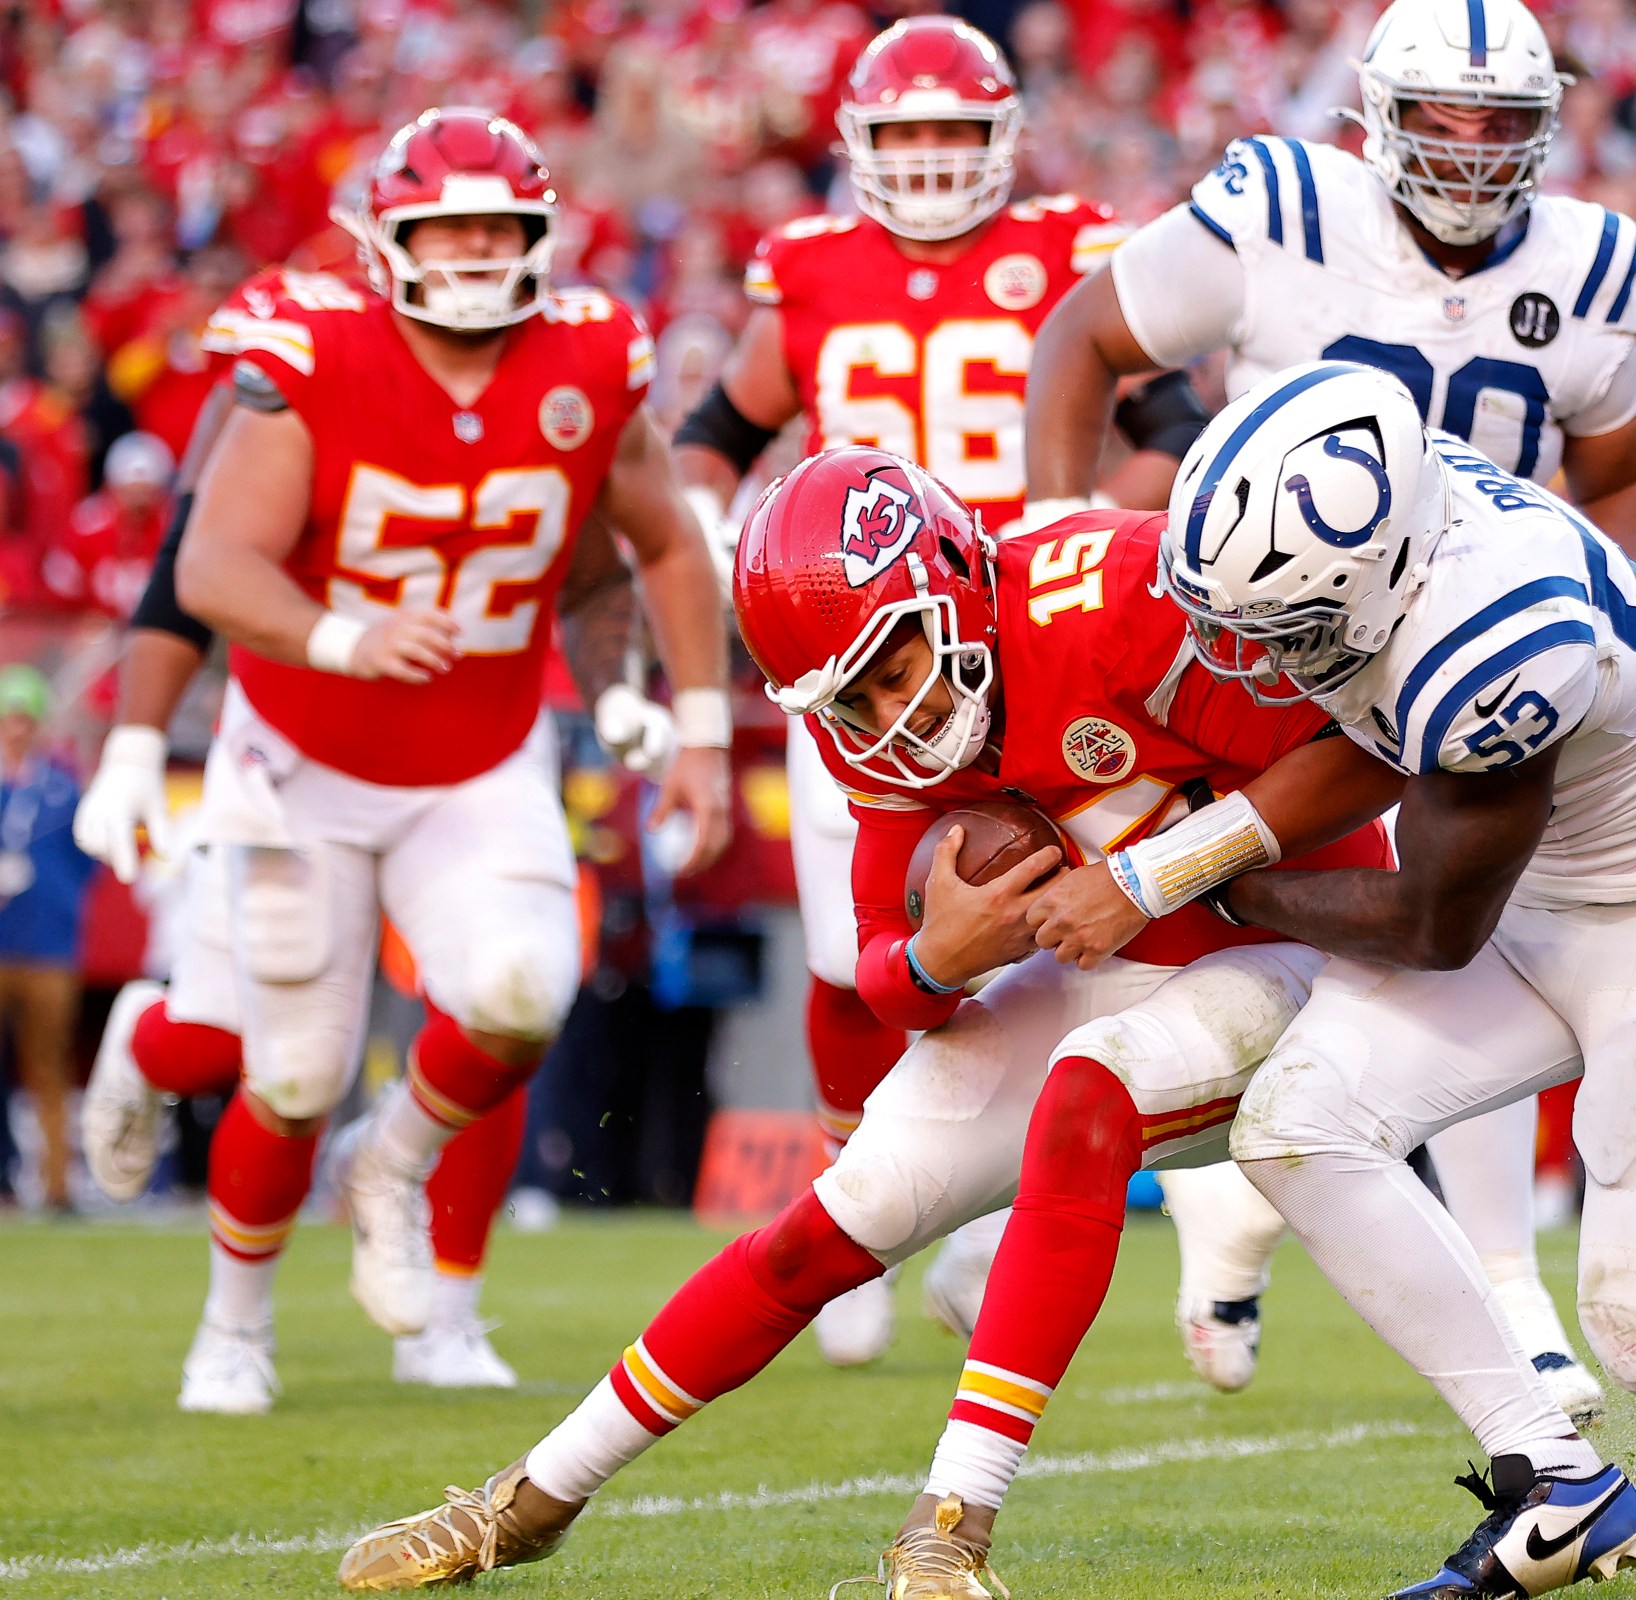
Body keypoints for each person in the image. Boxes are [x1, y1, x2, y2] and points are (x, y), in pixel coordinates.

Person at [332, 445, 1399, 1593]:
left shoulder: (1113, 594)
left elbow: (1360, 756)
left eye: (896, 667)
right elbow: (882, 979)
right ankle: (528, 1500)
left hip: (1283, 950)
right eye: (856, 697)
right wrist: (943, 955)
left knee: (1088, 1087)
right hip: (1105, 959)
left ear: (947, 577)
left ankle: (951, 1526)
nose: (895, 713)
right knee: (830, 1221)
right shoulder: (869, 731)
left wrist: (1148, 877)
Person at [1037, 360, 1636, 1592]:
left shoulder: (1498, 641)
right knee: (1298, 1125)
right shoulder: (1395, 511)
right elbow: (1369, 740)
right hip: (1537, 892)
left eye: (1276, 627)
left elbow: (1429, 918)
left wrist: (1186, 880)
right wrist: (1165, 867)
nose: (1243, 654)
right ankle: (1558, 1480)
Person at [1020, 0, 1636, 1415]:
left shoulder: (1591, 263)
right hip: (1255, 650)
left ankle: (1495, 1282)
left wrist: (1592, 602)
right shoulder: (1285, 206)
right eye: (1443, 114)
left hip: (1447, 647)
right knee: (1214, 928)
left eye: (1503, 121)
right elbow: (1085, 336)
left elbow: (1627, 473)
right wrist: (1051, 528)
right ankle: (1160, 1204)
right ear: (1379, 112)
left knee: (1457, 940)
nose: (1474, 147)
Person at [162, 108, 732, 1414]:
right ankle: (234, 1328)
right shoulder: (321, 351)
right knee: (295, 1067)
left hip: (476, 747)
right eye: (448, 224)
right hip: (303, 745)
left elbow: (666, 542)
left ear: (541, 233)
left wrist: (692, 726)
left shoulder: (585, 354)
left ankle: (393, 1164)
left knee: (525, 989)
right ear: (388, 236)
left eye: (498, 223)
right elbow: (211, 565)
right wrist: (342, 635)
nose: (476, 249)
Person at [666, 15, 1200, 1368]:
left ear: (1002, 139)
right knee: (860, 958)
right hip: (860, 670)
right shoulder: (811, 268)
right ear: (855, 144)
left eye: (953, 135)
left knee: (1047, 921)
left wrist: (1061, 531)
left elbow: (1171, 441)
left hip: (1028, 647)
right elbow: (718, 435)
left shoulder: (1063, 251)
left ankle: (979, 1217)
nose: (926, 162)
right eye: (899, 136)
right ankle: (860, 1201)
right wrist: (722, 551)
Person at [0, 665, 94, 1214]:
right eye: (9, 718)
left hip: (49, 947)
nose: (17, 728)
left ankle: (58, 1187)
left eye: (24, 719)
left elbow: (86, 864)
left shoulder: (61, 789)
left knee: (49, 1067)